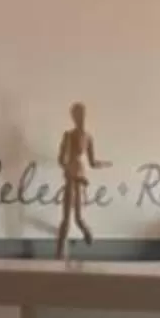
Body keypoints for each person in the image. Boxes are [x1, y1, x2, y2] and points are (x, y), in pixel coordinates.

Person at [54, 102, 110, 255]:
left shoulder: (88, 137)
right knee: (66, 217)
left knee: (77, 216)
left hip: (79, 177)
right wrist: (66, 166)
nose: (81, 118)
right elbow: (61, 158)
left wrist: (104, 164)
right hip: (71, 176)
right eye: (78, 115)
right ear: (73, 117)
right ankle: (59, 252)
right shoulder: (69, 135)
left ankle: (86, 233)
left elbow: (92, 162)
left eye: (82, 115)